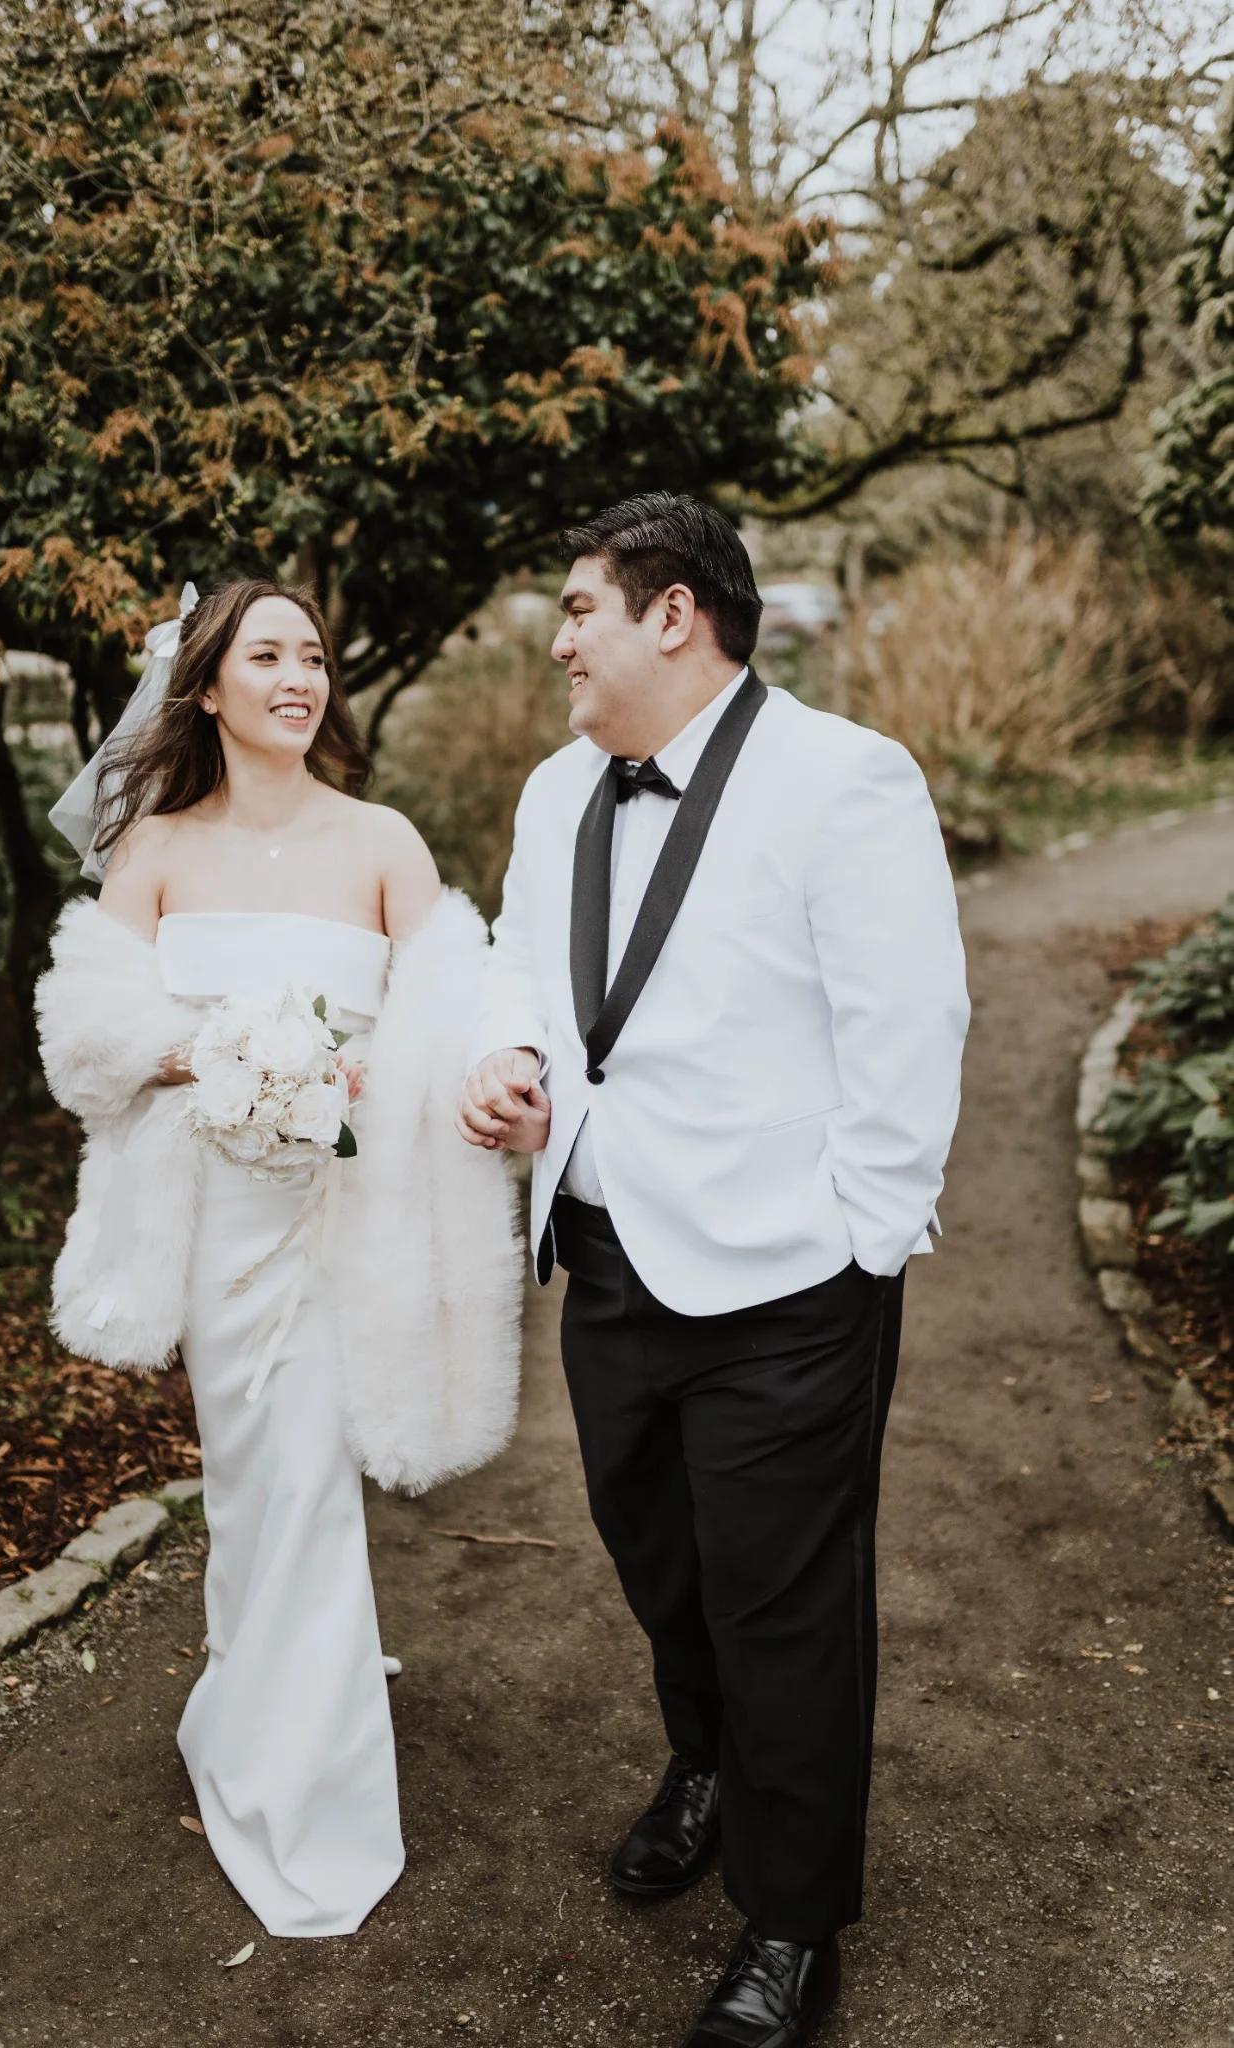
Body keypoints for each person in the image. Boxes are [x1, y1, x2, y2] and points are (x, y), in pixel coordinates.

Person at [458, 495, 969, 2046]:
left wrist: (859, 1239)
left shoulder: (845, 778)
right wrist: (505, 1059)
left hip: (790, 1283)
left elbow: (911, 1021)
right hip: (606, 1254)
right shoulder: (558, 792)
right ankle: (707, 1760)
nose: (557, 641)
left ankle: (793, 1921)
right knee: (652, 1549)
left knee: (785, 1598)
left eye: (578, 610)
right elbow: (521, 961)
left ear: (673, 614)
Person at [35, 578, 521, 1938]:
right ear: (206, 688)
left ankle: (310, 1804)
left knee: (308, 1488)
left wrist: (431, 1074)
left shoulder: (380, 840)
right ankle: (253, 1700)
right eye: (268, 655)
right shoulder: (159, 850)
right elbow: (87, 1031)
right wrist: (218, 1053)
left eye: (313, 655)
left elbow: (456, 1009)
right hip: (220, 1236)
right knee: (258, 1492)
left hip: (346, 1223)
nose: (300, 675)